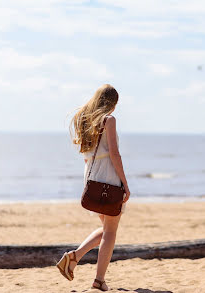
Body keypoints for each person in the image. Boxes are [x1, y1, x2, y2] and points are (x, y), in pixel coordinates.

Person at [56, 84, 131, 291]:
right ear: (112, 104)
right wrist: (125, 182)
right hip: (109, 177)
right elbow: (115, 154)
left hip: (92, 179)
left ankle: (74, 257)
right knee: (111, 232)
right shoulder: (109, 120)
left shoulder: (86, 120)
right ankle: (98, 280)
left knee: (107, 228)